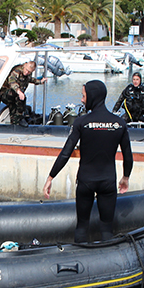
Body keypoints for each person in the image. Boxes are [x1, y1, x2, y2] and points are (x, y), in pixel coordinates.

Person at [43, 80, 133, 243]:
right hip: (108, 181)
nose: (82, 100)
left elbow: (66, 153)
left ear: (93, 96)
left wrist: (50, 177)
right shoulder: (119, 124)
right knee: (107, 228)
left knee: (82, 226)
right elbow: (128, 155)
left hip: (86, 181)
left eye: (84, 96)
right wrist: (126, 177)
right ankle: (107, 264)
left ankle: (80, 262)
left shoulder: (81, 123)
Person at [0, 60, 47, 127]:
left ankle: (15, 123)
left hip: (15, 96)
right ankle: (21, 118)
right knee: (20, 98)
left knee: (15, 108)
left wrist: (40, 82)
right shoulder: (16, 71)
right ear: (25, 65)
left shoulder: (28, 74)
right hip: (6, 94)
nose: (26, 72)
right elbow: (12, 81)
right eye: (26, 70)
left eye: (29, 71)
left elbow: (30, 79)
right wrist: (19, 91)